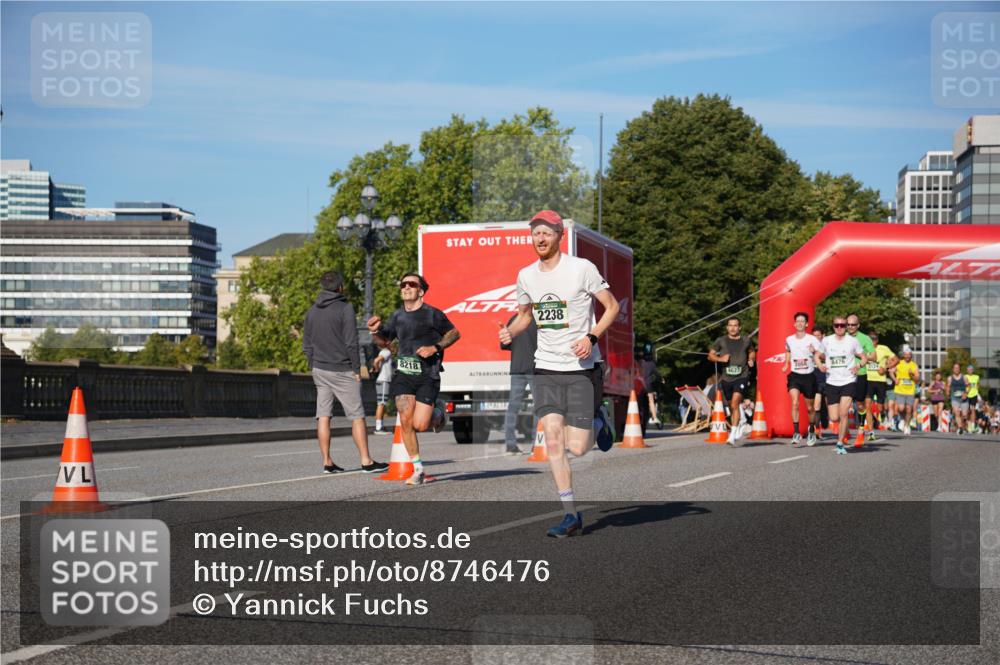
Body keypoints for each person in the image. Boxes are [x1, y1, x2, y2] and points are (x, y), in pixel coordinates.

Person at [498, 210, 619, 538]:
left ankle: (598, 419)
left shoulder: (581, 269)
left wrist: (591, 337)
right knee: (552, 436)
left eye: (546, 233)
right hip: (546, 366)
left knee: (578, 448)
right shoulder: (526, 276)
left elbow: (612, 307)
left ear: (558, 235)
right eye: (535, 233)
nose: (540, 238)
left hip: (581, 367)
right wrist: (511, 331)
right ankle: (570, 515)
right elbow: (526, 315)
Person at [368, 272, 461, 485]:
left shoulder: (432, 314)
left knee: (420, 424)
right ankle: (417, 468)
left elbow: (455, 333)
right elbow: (385, 341)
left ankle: (438, 412)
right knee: (406, 419)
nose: (406, 287)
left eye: (412, 284)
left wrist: (435, 347)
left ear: (421, 291)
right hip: (403, 374)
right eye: (403, 284)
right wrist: (375, 332)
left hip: (428, 375)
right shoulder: (397, 316)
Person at [302, 271, 388, 475]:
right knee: (357, 416)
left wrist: (314, 363)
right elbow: (351, 342)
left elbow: (307, 344)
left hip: (320, 370)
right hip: (342, 369)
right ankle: (366, 461)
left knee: (323, 416)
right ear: (340, 287)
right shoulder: (345, 308)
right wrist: (356, 369)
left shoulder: (311, 311)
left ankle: (327, 462)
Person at [814, 316, 866, 455]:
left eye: (842, 325)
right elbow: (817, 355)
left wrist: (858, 366)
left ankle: (840, 442)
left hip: (848, 380)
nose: (840, 328)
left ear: (846, 327)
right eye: (837, 325)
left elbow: (864, 357)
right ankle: (845, 431)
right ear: (833, 326)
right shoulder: (827, 340)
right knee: (834, 417)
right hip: (831, 381)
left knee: (843, 414)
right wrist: (820, 365)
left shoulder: (852, 341)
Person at [708, 317, 755, 446]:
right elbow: (710, 355)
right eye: (730, 325)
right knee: (731, 406)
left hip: (742, 376)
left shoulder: (746, 340)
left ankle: (732, 435)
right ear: (727, 327)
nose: (733, 328)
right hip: (727, 378)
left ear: (739, 327)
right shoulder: (721, 341)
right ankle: (739, 424)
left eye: (735, 325)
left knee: (735, 403)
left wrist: (751, 359)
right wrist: (720, 358)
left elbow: (752, 352)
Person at [782, 311, 821, 446]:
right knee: (794, 403)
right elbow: (788, 350)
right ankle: (796, 432)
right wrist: (786, 363)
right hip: (794, 375)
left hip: (809, 376)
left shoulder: (813, 340)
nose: (799, 323)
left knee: (810, 408)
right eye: (797, 321)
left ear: (806, 324)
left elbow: (822, 356)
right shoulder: (789, 339)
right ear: (794, 324)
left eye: (802, 321)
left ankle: (811, 430)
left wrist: (814, 352)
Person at [501, 313, 537, 454]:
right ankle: (537, 443)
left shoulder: (513, 319)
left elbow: (505, 344)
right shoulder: (539, 319)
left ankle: (510, 445)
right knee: (539, 408)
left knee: (512, 408)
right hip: (535, 368)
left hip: (517, 367)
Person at [846, 314, 876, 441]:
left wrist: (859, 354)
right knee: (844, 405)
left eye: (853, 324)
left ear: (858, 325)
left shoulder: (865, 339)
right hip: (844, 375)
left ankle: (863, 428)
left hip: (860, 374)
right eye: (848, 324)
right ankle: (845, 433)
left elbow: (874, 357)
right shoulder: (842, 337)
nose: (850, 327)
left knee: (861, 404)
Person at [865, 332, 898, 440]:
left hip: (880, 381)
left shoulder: (884, 348)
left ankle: (882, 415)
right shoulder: (863, 348)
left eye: (874, 339)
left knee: (880, 407)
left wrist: (886, 368)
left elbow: (896, 359)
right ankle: (871, 432)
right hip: (868, 379)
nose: (872, 341)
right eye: (870, 339)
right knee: (868, 406)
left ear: (877, 340)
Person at [890, 346, 919, 436]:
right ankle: (903, 419)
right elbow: (891, 371)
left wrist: (911, 375)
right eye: (906, 355)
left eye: (909, 355)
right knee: (901, 408)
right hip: (900, 390)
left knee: (909, 409)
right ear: (904, 355)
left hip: (910, 391)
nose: (907, 356)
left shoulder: (914, 365)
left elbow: (917, 379)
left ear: (911, 356)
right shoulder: (899, 363)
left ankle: (907, 425)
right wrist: (895, 379)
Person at [372, 344, 394, 434]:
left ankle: (380, 426)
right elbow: (376, 360)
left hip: (383, 380)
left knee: (381, 403)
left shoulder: (385, 352)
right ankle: (378, 428)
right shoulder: (386, 351)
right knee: (381, 403)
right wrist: (376, 369)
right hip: (383, 380)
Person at [811, 326, 829, 434]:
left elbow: (826, 357)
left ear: (823, 336)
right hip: (815, 378)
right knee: (816, 404)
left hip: (828, 378)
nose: (816, 338)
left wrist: (816, 352)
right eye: (814, 336)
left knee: (829, 406)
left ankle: (827, 419)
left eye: (818, 336)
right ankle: (817, 429)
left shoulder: (828, 345)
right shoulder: (809, 346)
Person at [641, 345, 662, 427]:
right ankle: (654, 417)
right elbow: (657, 374)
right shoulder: (652, 364)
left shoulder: (641, 362)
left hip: (641, 384)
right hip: (649, 385)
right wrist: (662, 379)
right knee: (651, 400)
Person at [947, 363, 968, 434]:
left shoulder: (964, 377)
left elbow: (969, 386)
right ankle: (960, 428)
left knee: (964, 415)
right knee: (957, 413)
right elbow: (948, 386)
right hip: (954, 397)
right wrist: (947, 392)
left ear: (959, 369)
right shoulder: (950, 378)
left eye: (957, 368)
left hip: (964, 398)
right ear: (953, 369)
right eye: (955, 368)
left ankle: (962, 425)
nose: (956, 369)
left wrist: (966, 393)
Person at [964, 364, 981, 433]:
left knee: (973, 409)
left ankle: (973, 426)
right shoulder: (965, 376)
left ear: (973, 370)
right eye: (969, 369)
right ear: (967, 370)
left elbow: (978, 385)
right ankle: (969, 425)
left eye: (971, 369)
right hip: (967, 395)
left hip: (974, 395)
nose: (970, 371)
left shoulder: (977, 377)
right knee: (967, 411)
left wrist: (977, 393)